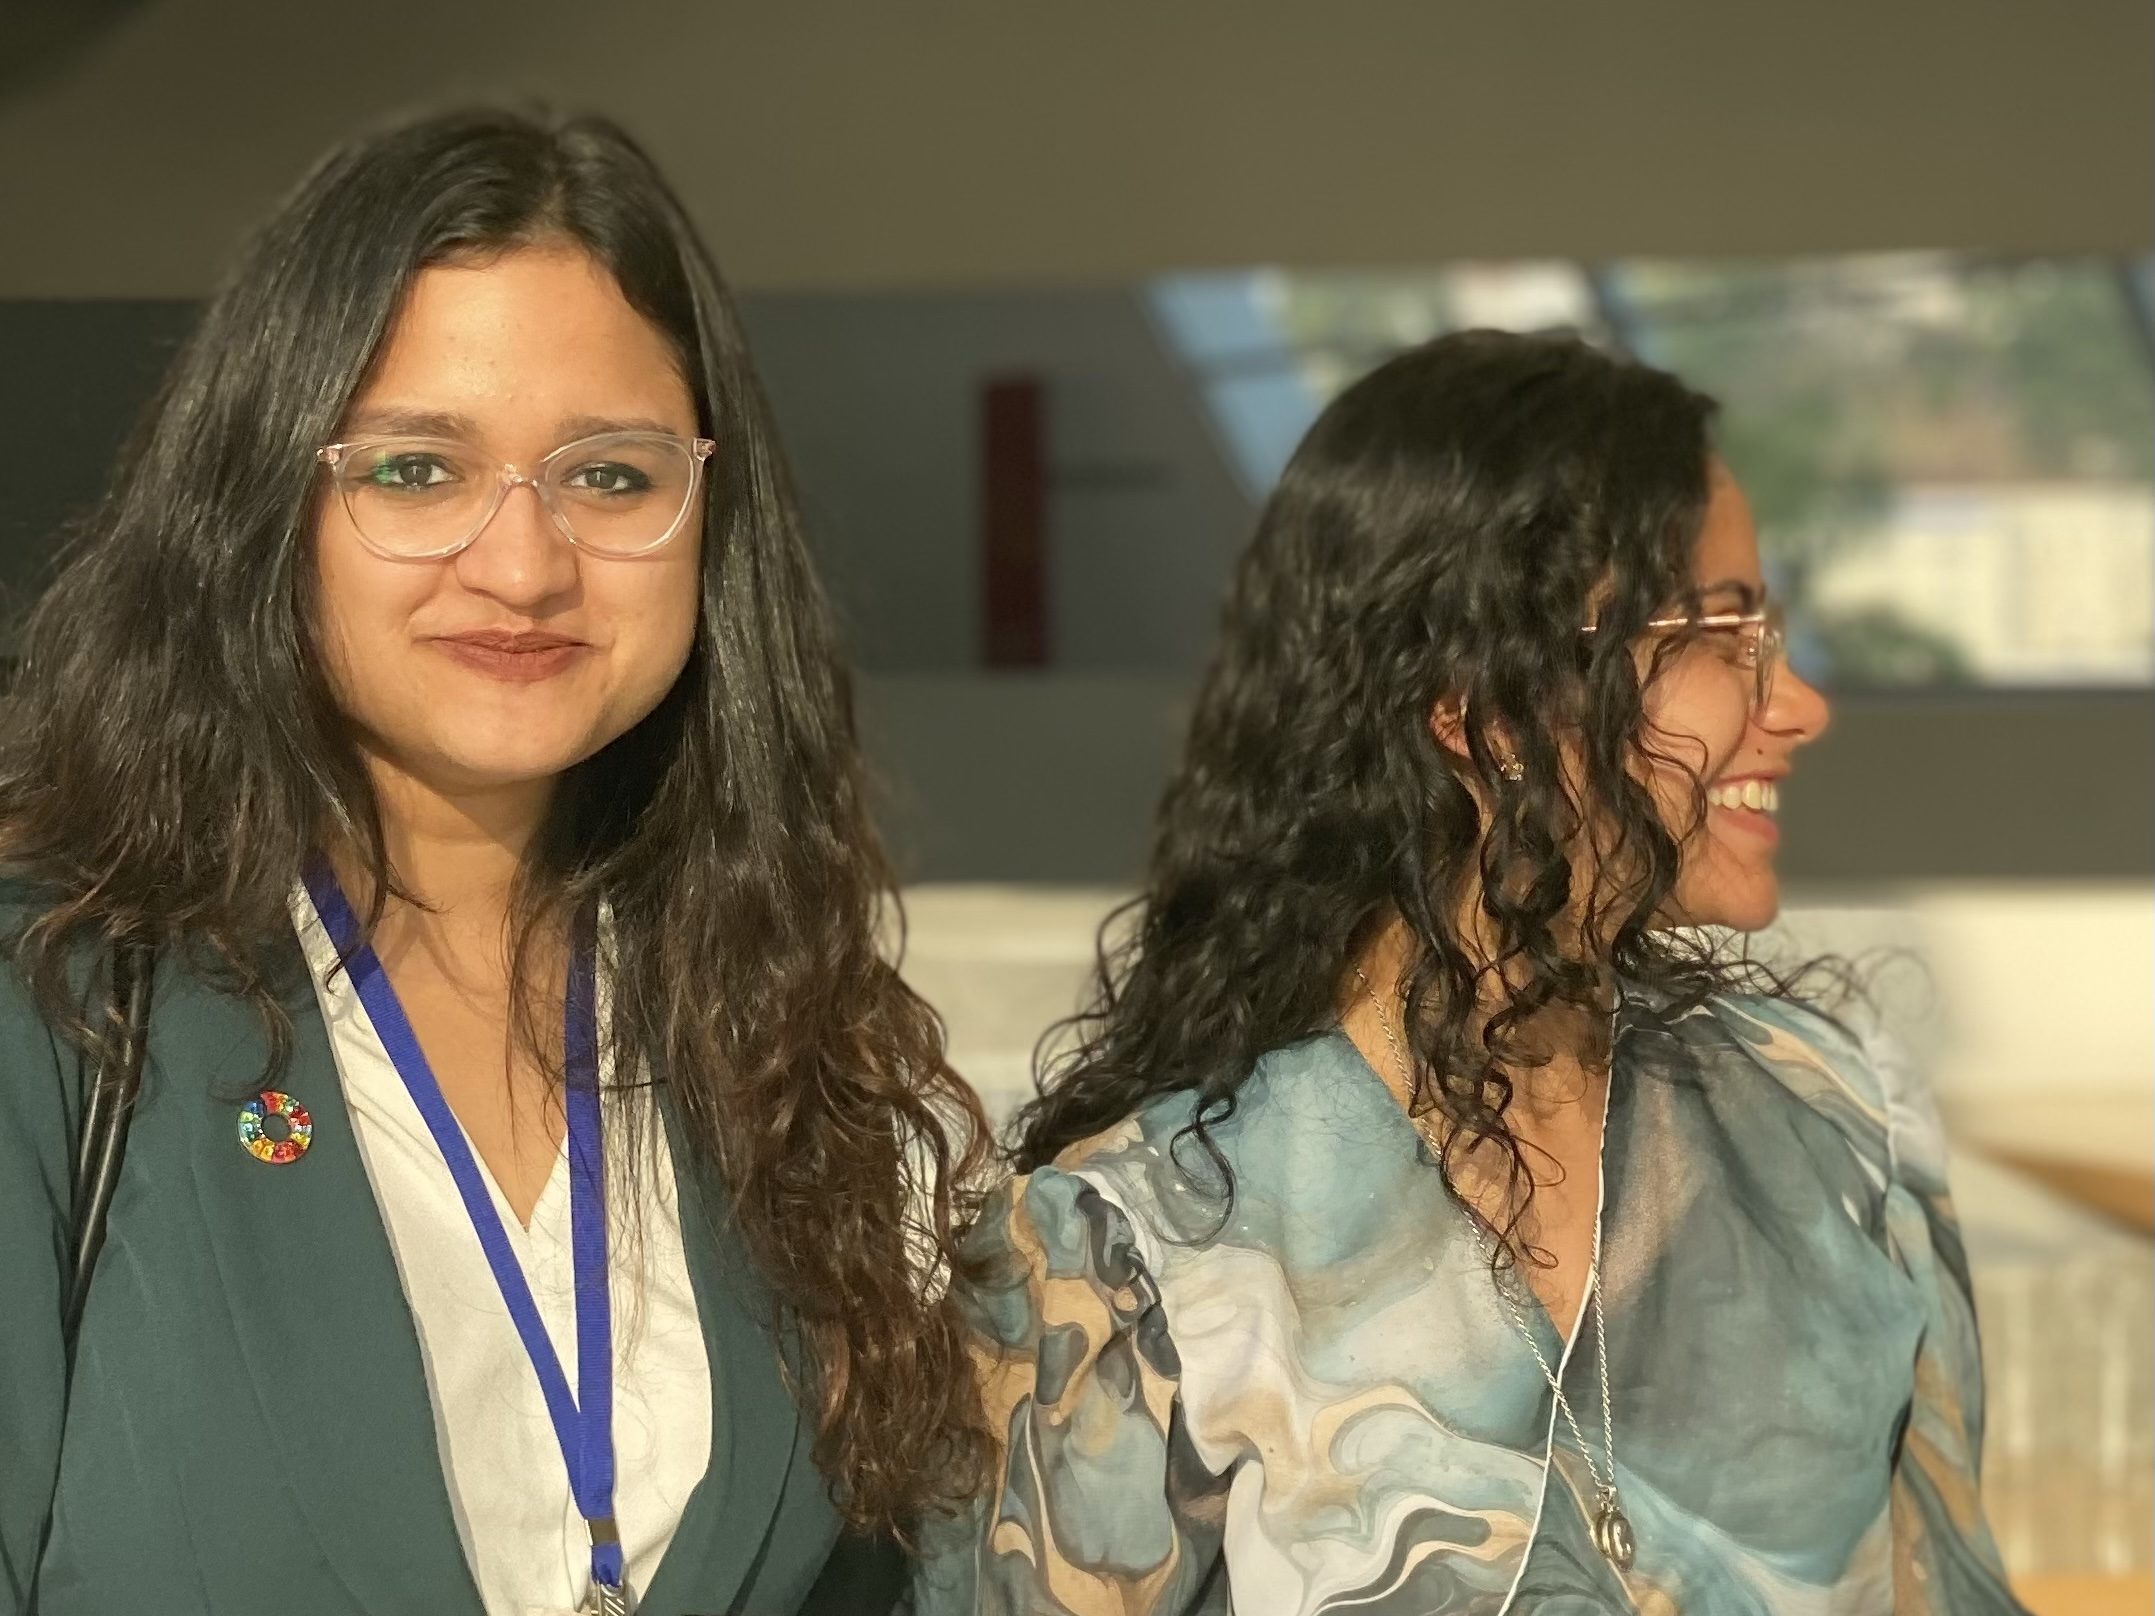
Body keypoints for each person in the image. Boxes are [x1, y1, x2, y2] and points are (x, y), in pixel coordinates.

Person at [0, 106, 991, 1616]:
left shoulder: (758, 1011)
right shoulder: (63, 999)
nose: (523, 566)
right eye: (415, 471)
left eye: (607, 476)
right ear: (268, 502)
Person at [918, 330, 2027, 1614]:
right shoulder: (1137, 1251)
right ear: (1481, 705)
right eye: (1722, 631)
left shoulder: (1839, 1130)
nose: (1796, 703)